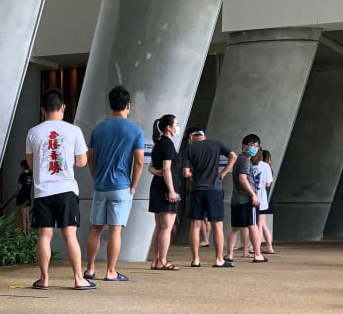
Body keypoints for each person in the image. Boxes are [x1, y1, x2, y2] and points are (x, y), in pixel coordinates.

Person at [25, 88, 95, 291]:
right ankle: (78, 278)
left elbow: (31, 163)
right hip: (66, 190)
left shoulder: (33, 132)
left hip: (42, 192)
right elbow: (82, 161)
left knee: (44, 236)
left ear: (42, 109)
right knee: (70, 235)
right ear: (63, 107)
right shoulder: (74, 130)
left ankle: (44, 278)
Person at [84, 85, 145, 282]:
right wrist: (133, 185)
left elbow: (90, 157)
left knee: (96, 228)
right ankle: (111, 271)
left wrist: (96, 177)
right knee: (115, 229)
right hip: (121, 186)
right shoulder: (135, 130)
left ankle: (90, 269)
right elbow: (139, 161)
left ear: (110, 105)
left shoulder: (98, 129)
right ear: (128, 106)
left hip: (100, 185)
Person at [181, 128, 237, 268]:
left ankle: (195, 260)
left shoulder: (189, 149)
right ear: (203, 136)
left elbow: (186, 173)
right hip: (214, 189)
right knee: (217, 225)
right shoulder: (216, 144)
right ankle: (219, 259)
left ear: (191, 137)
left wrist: (195, 177)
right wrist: (223, 173)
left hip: (197, 189)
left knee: (195, 225)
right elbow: (233, 156)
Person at [224, 135, 266, 264]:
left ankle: (229, 255)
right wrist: (253, 194)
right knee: (253, 226)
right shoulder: (245, 160)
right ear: (244, 145)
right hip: (246, 199)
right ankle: (257, 255)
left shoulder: (238, 159)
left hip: (236, 199)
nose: (254, 148)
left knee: (235, 227)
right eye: (251, 145)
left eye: (256, 145)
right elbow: (243, 178)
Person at [147, 114, 181, 270]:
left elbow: (151, 167)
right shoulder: (168, 145)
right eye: (176, 124)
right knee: (166, 227)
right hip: (166, 189)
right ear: (169, 127)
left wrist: (157, 173)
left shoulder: (158, 143)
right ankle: (162, 261)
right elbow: (167, 168)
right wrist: (172, 190)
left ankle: (155, 260)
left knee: (159, 227)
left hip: (156, 188)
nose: (177, 127)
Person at [255, 149, 275, 254]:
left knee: (259, 224)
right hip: (265, 199)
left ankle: (256, 247)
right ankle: (269, 246)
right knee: (263, 224)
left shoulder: (260, 167)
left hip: (259, 198)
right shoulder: (269, 168)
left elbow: (267, 184)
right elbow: (268, 184)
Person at [15, 160, 33, 234]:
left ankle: (24, 232)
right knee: (27, 217)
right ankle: (28, 233)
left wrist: (16, 194)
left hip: (21, 197)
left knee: (23, 217)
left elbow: (19, 187)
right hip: (28, 198)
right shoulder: (30, 175)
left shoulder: (22, 175)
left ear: (23, 166)